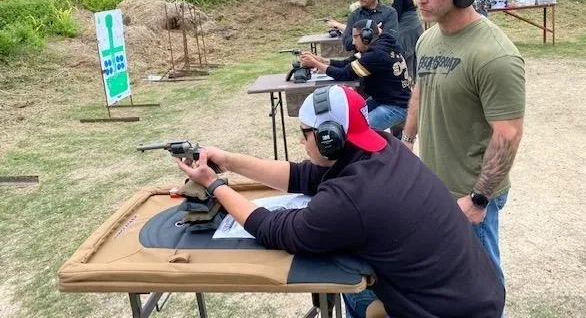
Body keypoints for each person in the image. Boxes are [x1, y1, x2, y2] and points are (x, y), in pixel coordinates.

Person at [175, 85, 505, 318]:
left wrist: (213, 184)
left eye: (305, 133)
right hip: (475, 293)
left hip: (444, 311)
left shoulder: (351, 196)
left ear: (328, 138)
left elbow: (274, 229)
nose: (302, 142)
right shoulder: (382, 148)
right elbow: (304, 176)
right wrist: (228, 160)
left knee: (352, 291)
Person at [398, 0, 525, 287]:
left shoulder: (495, 55)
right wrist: (406, 143)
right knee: (447, 277)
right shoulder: (427, 40)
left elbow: (508, 133)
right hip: (436, 184)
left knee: (481, 283)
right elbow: (420, 90)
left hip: (472, 193)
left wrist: (478, 199)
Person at [299, 19, 410, 131]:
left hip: (396, 106)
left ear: (366, 37)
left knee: (358, 130)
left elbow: (344, 74)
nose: (353, 42)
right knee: (351, 118)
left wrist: (315, 63)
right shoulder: (383, 45)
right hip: (383, 99)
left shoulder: (375, 55)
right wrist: (321, 60)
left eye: (355, 37)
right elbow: (346, 64)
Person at [326, 0, 399, 52]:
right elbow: (347, 43)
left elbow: (391, 40)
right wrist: (372, 33)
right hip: (359, 60)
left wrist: (358, 37)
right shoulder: (355, 15)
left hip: (382, 59)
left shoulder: (389, 13)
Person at [389, 0, 424, 80]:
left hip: (406, 31)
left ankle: (408, 87)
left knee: (405, 60)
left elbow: (395, 15)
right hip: (416, 27)